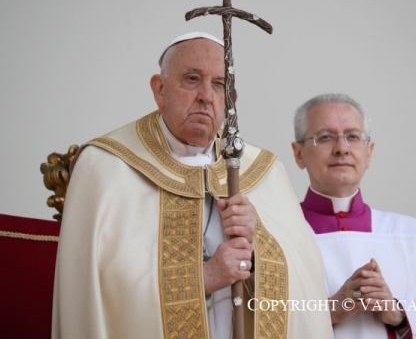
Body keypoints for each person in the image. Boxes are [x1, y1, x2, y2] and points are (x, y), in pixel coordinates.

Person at [52, 32, 334, 339]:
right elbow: (94, 292)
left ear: (230, 100)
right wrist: (203, 278)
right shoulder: (106, 166)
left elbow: (307, 279)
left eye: (218, 85)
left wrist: (258, 251)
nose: (206, 96)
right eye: (191, 79)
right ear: (159, 90)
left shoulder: (263, 171)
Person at [291, 93, 416, 338]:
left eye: (353, 137)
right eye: (325, 137)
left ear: (369, 152)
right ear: (298, 153)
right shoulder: (272, 235)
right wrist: (328, 311)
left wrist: (400, 315)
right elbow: (247, 321)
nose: (341, 149)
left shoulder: (414, 236)